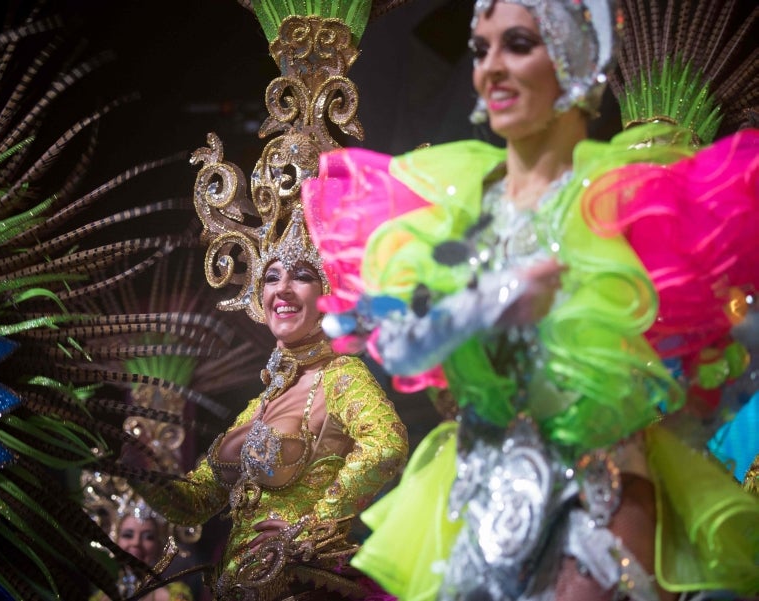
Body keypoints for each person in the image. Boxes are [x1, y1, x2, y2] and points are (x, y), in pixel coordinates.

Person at [301, 0, 758, 599]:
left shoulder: (618, 203)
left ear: (577, 58)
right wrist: (488, 303)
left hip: (595, 503)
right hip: (476, 505)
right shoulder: (459, 205)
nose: (491, 67)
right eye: (480, 49)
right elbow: (391, 344)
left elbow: (687, 361)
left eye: (517, 44)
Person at [132, 207, 409, 599]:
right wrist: (138, 469)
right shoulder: (260, 403)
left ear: (327, 294)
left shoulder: (340, 375)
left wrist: (312, 527)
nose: (282, 289)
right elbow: (194, 503)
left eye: (302, 276)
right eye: (272, 277)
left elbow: (386, 445)